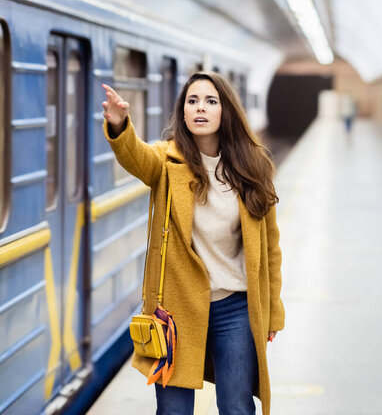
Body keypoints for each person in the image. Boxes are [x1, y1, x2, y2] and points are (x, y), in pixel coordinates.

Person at [102, 71, 285, 415]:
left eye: (211, 101)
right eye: (192, 101)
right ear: (183, 113)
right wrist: (119, 126)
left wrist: (273, 309)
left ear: (225, 111)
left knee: (236, 407)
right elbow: (135, 156)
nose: (200, 108)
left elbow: (270, 249)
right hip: (176, 310)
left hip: (235, 308)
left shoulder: (253, 167)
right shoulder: (167, 162)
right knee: (172, 410)